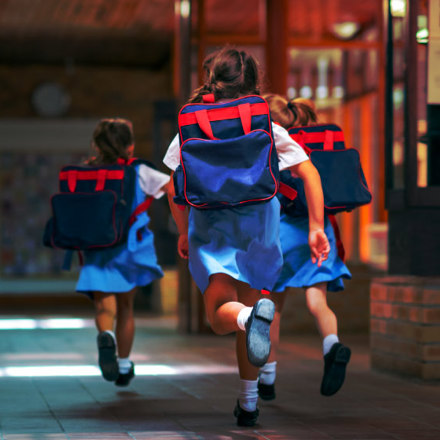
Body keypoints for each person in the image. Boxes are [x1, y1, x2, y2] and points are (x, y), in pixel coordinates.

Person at [163, 47, 330, 426]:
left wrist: (184, 229)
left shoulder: (191, 125)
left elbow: (175, 187)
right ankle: (249, 402)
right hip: (260, 227)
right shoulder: (266, 123)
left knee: (221, 313)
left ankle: (249, 319)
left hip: (211, 226)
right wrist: (316, 226)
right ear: (253, 80)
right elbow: (310, 174)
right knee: (253, 309)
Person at [257, 94, 352, 402]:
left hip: (283, 232)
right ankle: (332, 345)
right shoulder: (319, 142)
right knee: (318, 303)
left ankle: (267, 377)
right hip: (318, 228)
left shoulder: (276, 142)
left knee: (274, 308)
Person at [76, 118, 170, 386]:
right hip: (130, 247)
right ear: (129, 146)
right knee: (126, 306)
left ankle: (106, 334)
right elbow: (173, 188)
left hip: (96, 248)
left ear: (97, 145)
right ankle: (125, 364)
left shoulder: (87, 171)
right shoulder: (139, 171)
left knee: (104, 305)